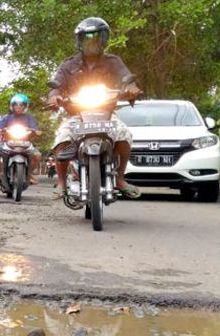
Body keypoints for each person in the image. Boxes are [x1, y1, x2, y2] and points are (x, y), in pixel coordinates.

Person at [47, 17, 143, 199]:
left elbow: (127, 78)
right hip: (77, 116)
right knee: (62, 137)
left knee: (125, 135)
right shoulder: (68, 65)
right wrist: (54, 96)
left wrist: (131, 88)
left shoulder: (113, 61)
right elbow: (56, 86)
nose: (91, 42)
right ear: (79, 41)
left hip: (107, 115)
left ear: (104, 39)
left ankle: (120, 179)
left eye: (96, 37)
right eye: (87, 38)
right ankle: (61, 182)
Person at [0, 93, 42, 185]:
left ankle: (29, 174)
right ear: (12, 106)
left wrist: (36, 131)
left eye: (21, 105)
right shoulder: (6, 118)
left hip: (25, 143)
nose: (19, 107)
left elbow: (35, 129)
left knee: (37, 155)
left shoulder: (29, 118)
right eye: (16, 105)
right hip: (7, 142)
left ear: (25, 106)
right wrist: (0, 130)